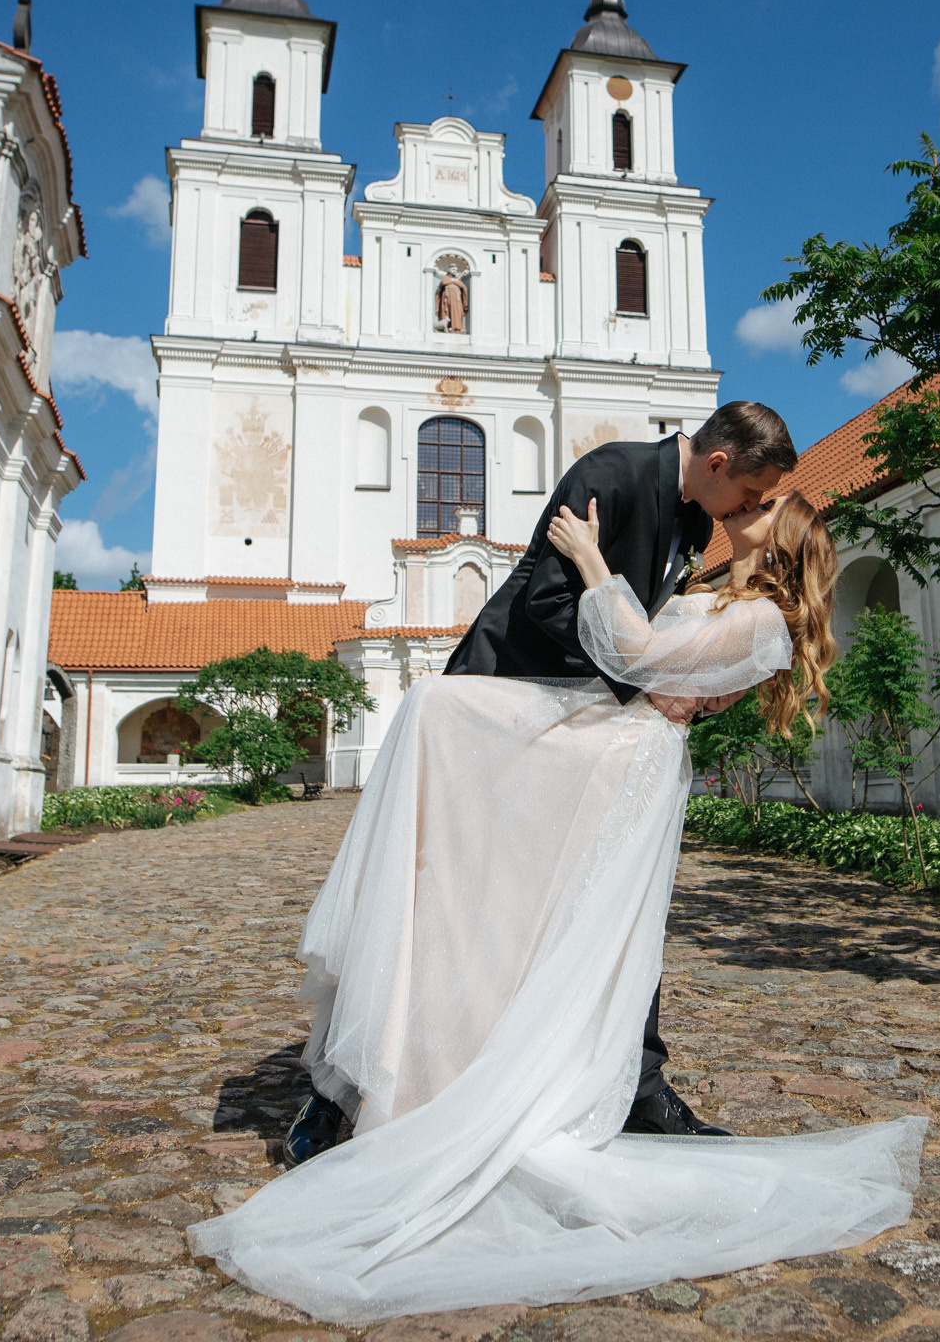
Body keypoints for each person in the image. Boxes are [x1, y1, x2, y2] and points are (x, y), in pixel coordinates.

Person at [187, 488, 923, 1321]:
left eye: (762, 505)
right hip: (605, 738)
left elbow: (636, 652)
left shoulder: (762, 623)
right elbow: (653, 659)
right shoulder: (725, 596)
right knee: (481, 875)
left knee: (438, 714)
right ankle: (418, 1060)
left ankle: (454, 1083)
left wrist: (589, 558)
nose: (745, 506)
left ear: (781, 539)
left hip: (618, 757)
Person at [287, 403, 797, 1159]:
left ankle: (628, 1083)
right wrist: (645, 683)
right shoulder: (613, 474)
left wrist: (672, 681)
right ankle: (341, 1087)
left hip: (584, 734)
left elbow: (656, 632)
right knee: (429, 898)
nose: (746, 511)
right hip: (503, 706)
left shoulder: (696, 520)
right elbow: (549, 601)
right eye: (750, 494)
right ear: (719, 463)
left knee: (597, 901)